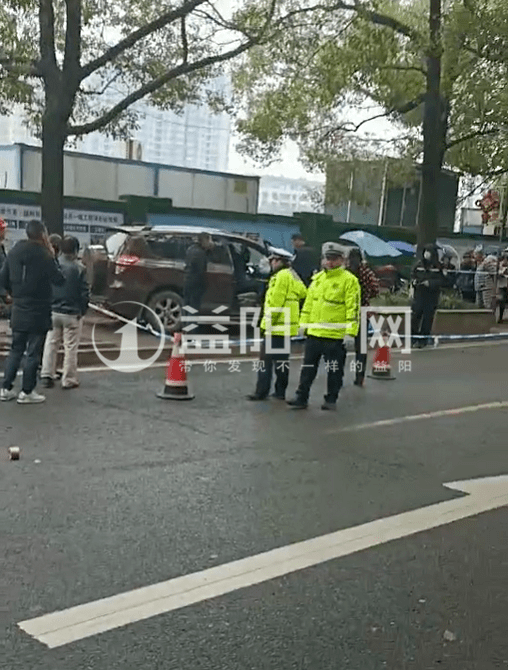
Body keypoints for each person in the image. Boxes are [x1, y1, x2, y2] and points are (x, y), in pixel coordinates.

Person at [287, 242, 360, 411]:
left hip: (335, 336)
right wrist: (303, 325)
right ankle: (301, 396)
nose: (330, 262)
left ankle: (331, 398)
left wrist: (350, 333)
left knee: (334, 371)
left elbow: (353, 309)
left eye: (334, 259)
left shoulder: (349, 281)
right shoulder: (317, 279)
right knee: (307, 368)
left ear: (342, 260)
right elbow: (308, 306)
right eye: (327, 259)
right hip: (314, 334)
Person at [0, 220, 65, 404]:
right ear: (42, 234)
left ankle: (6, 388)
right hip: (39, 309)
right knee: (33, 352)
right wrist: (53, 255)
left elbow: (2, 279)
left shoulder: (14, 252)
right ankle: (27, 391)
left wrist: (8, 296)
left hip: (18, 308)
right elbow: (59, 279)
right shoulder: (45, 255)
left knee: (16, 350)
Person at [247, 248, 307, 401]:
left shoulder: (280, 277)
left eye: (273, 260)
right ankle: (280, 391)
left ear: (280, 261)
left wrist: (266, 325)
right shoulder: (293, 276)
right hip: (286, 326)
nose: (271, 263)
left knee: (265, 361)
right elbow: (303, 293)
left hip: (276, 325)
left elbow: (276, 304)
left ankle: (261, 391)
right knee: (281, 360)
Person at [40, 236, 90, 390]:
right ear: (76, 250)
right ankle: (68, 379)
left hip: (53, 310)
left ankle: (47, 374)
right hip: (72, 313)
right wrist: (82, 310)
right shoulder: (80, 268)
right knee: (70, 347)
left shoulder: (53, 265)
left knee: (51, 343)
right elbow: (84, 293)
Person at [347, 247, 379, 387]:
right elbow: (375, 289)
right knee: (361, 348)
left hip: (346, 312)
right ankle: (359, 377)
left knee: (341, 347)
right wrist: (365, 297)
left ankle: (337, 375)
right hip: (363, 311)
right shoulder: (366, 272)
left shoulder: (347, 273)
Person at [410, 243, 445, 348]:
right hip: (419, 296)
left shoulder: (438, 267)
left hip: (431, 297)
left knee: (427, 320)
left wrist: (430, 283)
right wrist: (415, 282)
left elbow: (443, 281)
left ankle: (423, 340)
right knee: (415, 318)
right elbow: (412, 275)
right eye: (425, 251)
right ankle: (413, 338)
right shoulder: (419, 265)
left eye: (429, 252)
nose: (427, 254)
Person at [183, 232, 214, 313]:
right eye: (210, 240)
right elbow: (200, 271)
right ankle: (191, 324)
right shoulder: (200, 254)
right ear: (205, 240)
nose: (211, 242)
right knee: (193, 309)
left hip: (187, 282)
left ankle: (185, 324)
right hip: (195, 286)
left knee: (187, 307)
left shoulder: (191, 249)